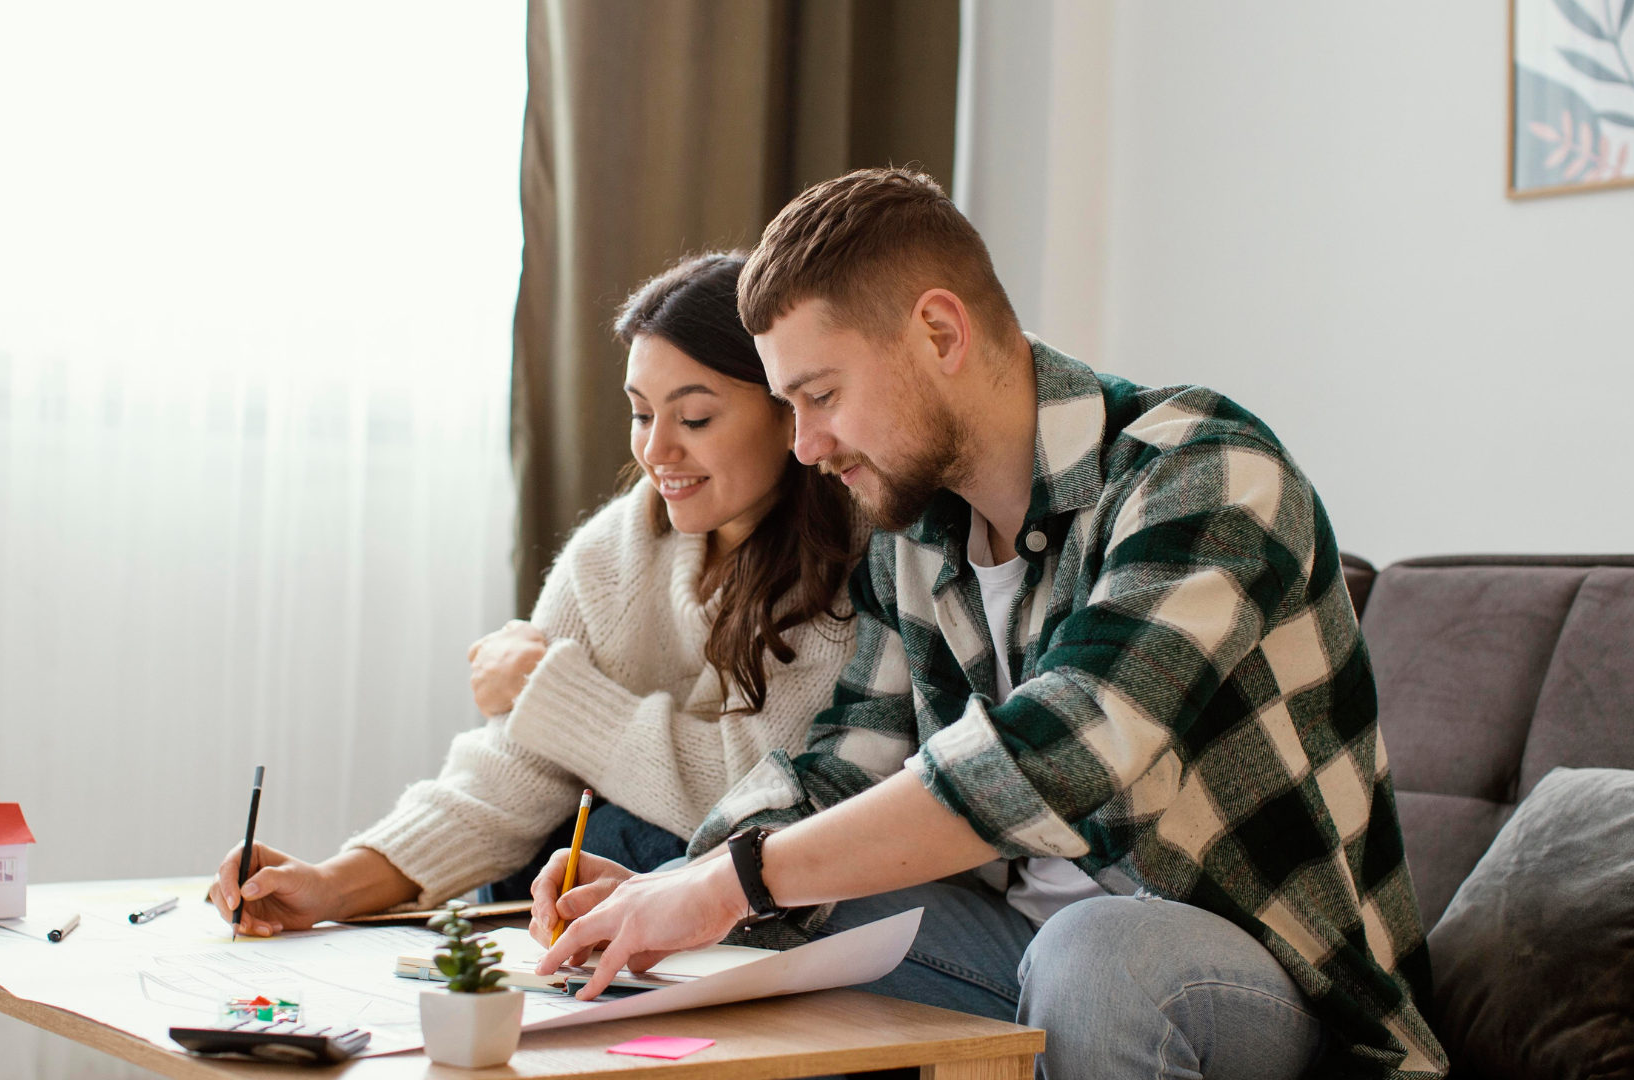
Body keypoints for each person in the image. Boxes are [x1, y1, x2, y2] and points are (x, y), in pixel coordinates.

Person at [528, 171, 1449, 1080]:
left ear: (938, 331)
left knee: (1094, 955)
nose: (805, 446)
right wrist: (681, 884)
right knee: (781, 918)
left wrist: (729, 883)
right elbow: (847, 762)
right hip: (1017, 952)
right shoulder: (915, 539)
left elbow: (1059, 755)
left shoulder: (1202, 473)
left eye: (820, 396)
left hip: (1268, 990)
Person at [206, 252, 858, 933]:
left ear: (788, 415)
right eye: (640, 415)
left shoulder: (843, 563)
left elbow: (750, 796)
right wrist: (333, 883)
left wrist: (544, 691)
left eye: (693, 419)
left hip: (750, 881)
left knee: (610, 842)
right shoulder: (614, 552)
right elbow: (513, 771)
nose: (657, 451)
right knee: (532, 862)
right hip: (638, 871)